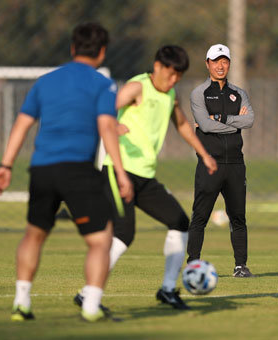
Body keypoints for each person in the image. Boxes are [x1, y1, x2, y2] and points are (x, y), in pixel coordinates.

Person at [0, 22, 133, 322]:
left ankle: (21, 302)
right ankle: (91, 307)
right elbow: (107, 127)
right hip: (78, 170)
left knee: (34, 235)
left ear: (72, 48)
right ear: (102, 52)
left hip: (41, 169)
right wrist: (121, 173)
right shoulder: (102, 84)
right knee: (100, 240)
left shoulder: (45, 81)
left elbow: (22, 124)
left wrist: (6, 165)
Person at [74, 45, 217, 311]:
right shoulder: (137, 87)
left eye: (179, 76)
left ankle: (167, 290)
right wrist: (112, 125)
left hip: (145, 177)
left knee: (179, 222)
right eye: (171, 74)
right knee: (124, 234)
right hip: (119, 172)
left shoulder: (170, 95)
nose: (174, 80)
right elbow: (101, 109)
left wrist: (204, 154)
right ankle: (87, 294)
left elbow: (183, 124)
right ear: (158, 67)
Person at [186, 44, 255, 278]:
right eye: (216, 61)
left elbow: (250, 121)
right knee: (200, 216)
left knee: (238, 216)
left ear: (229, 64)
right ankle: (192, 263)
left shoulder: (239, 93)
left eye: (224, 60)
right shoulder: (199, 93)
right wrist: (233, 121)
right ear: (207, 64)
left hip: (236, 163)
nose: (220, 65)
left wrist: (220, 118)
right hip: (210, 163)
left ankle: (240, 266)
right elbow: (204, 125)